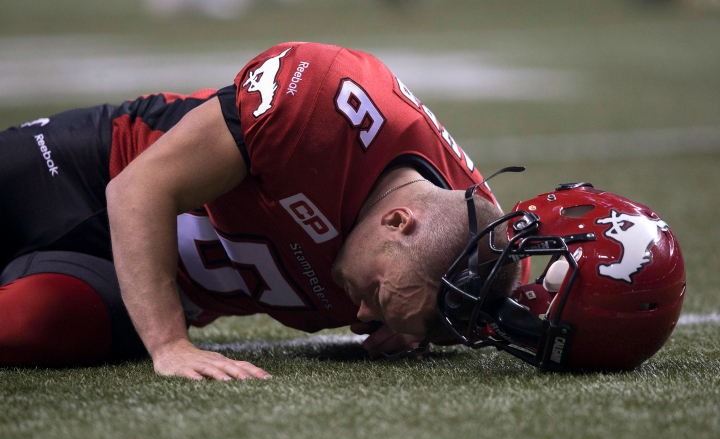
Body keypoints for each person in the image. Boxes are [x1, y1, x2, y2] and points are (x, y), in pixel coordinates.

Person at [0, 42, 523, 379]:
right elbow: (137, 190)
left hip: (140, 285)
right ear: (398, 221)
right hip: (89, 171)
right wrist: (168, 345)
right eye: (379, 297)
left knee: (30, 323)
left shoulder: (464, 258)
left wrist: (412, 322)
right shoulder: (323, 103)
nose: (362, 316)